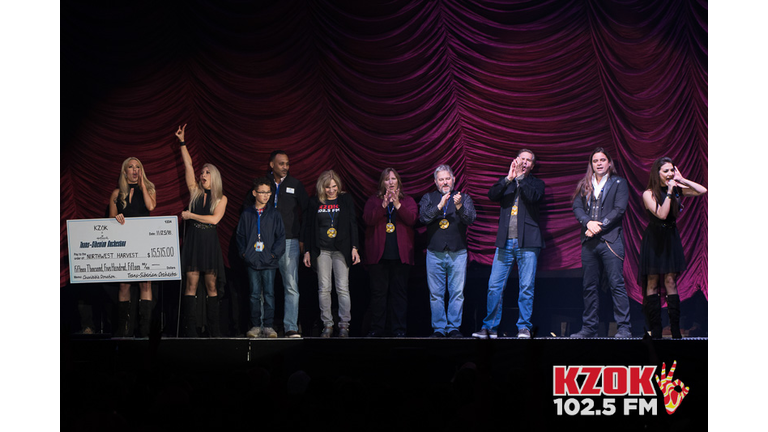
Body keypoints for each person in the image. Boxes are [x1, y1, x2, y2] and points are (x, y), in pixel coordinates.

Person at [471, 149, 544, 339]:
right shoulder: (508, 181)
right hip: (505, 242)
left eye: (529, 161)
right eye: (523, 159)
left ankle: (524, 327)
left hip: (527, 242)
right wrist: (508, 178)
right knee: (494, 286)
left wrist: (520, 178)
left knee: (526, 287)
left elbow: (533, 197)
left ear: (532, 165)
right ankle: (490, 328)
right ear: (516, 160)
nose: (525, 163)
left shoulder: (536, 183)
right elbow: (492, 194)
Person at [639, 157, 706, 338]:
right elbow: (661, 214)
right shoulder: (649, 193)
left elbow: (702, 190)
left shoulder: (677, 189)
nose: (669, 174)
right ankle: (656, 331)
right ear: (657, 173)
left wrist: (682, 180)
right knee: (652, 282)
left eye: (671, 170)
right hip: (654, 239)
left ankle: (675, 331)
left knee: (670, 281)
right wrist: (669, 192)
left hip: (670, 238)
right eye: (666, 171)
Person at [569, 148, 631, 339]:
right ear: (591, 164)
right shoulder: (584, 183)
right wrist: (587, 222)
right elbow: (577, 206)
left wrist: (598, 226)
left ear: (609, 162)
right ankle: (589, 328)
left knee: (616, 284)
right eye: (595, 160)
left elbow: (619, 209)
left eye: (603, 159)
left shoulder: (619, 183)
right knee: (589, 286)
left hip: (611, 240)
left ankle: (624, 328)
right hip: (589, 241)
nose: (599, 163)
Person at [176, 124, 228, 337]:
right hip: (194, 241)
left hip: (209, 242)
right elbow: (188, 165)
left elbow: (214, 220)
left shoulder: (221, 198)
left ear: (214, 177)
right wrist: (182, 142)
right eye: (202, 171)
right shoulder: (195, 192)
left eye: (207, 172)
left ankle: (214, 331)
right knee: (191, 284)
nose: (202, 174)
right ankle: (190, 331)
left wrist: (190, 215)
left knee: (211, 286)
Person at [419, 164, 476, 338]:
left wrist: (458, 207)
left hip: (457, 252)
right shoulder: (428, 198)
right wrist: (439, 205)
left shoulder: (463, 198)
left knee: (457, 293)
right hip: (435, 252)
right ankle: (439, 329)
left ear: (453, 179)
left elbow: (470, 219)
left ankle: (453, 328)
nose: (445, 182)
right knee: (436, 294)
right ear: (436, 182)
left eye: (447, 178)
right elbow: (423, 218)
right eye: (441, 179)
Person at [302, 170, 360, 337]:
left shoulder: (345, 199)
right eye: (328, 187)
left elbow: (352, 224)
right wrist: (307, 250)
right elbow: (308, 227)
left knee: (342, 288)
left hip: (341, 249)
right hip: (322, 250)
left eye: (334, 186)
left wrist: (355, 247)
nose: (332, 190)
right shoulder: (315, 202)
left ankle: (344, 325)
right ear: (322, 187)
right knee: (324, 289)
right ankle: (327, 324)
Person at [362, 168, 418, 337]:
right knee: (378, 295)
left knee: (399, 295)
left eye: (394, 179)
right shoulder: (374, 200)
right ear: (382, 183)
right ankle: (377, 330)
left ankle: (399, 330)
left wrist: (398, 205)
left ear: (398, 182)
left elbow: (412, 219)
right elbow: (368, 219)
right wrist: (383, 205)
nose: (391, 182)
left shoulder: (407, 200)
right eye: (387, 179)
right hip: (379, 257)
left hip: (400, 257)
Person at [108, 157, 157, 337]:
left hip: (144, 242)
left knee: (145, 284)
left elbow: (151, 206)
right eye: (131, 167)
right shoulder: (116, 194)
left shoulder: (149, 189)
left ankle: (144, 332)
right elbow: (110, 220)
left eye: (138, 167)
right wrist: (117, 219)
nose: (135, 170)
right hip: (124, 244)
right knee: (124, 285)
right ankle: (124, 330)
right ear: (125, 171)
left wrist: (143, 186)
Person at [236, 177, 286, 338]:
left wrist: (274, 254)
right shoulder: (247, 213)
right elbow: (240, 236)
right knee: (254, 294)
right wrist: (244, 253)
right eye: (262, 192)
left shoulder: (274, 214)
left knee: (270, 294)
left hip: (269, 261)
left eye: (268, 192)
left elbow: (281, 237)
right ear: (254, 193)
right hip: (252, 261)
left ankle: (269, 326)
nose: (265, 195)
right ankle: (256, 325)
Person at [266, 151, 308, 338]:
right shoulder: (263, 184)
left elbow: (307, 211)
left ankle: (291, 326)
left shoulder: (295, 185)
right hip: (266, 241)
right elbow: (250, 209)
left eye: (287, 164)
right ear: (272, 165)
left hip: (290, 240)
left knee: (291, 285)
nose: (285, 167)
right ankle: (264, 326)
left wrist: (302, 238)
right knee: (264, 285)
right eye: (281, 164)